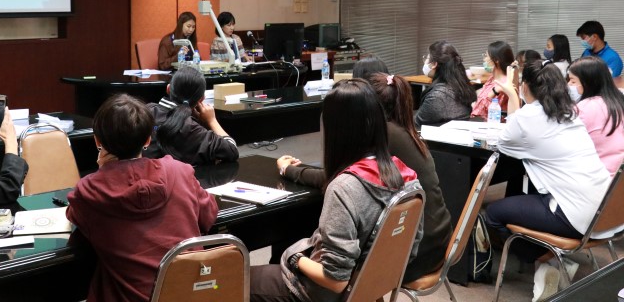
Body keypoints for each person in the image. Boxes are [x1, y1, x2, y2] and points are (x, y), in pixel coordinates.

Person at [250, 79, 422, 302]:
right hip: (367, 289)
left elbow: (335, 280)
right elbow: (410, 250)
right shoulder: (408, 179)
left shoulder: (344, 189)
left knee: (233, 279)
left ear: (335, 130)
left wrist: (293, 258)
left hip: (321, 293)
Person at [278, 73, 451, 283]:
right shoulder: (403, 130)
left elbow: (336, 178)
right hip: (434, 243)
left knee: (318, 233)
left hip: (407, 257)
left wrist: (289, 170)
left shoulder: (383, 136)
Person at [66, 94, 218, 302]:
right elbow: (209, 215)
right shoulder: (179, 171)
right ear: (148, 139)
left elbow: (75, 217)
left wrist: (104, 171)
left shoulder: (89, 190)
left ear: (97, 141)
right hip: (192, 294)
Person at [485, 60, 614, 301]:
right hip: (606, 209)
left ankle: (549, 261)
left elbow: (503, 143)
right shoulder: (569, 112)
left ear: (525, 86)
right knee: (527, 196)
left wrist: (512, 98)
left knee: (492, 213)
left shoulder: (528, 116)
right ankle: (551, 261)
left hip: (575, 214)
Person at [143, 66, 239, 165]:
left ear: (168, 89)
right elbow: (232, 150)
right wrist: (212, 121)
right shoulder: (193, 129)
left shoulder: (145, 111)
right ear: (201, 99)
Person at [568, 56, 624, 176]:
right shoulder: (619, 100)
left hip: (600, 176)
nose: (568, 85)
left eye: (572, 81)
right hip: (619, 175)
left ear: (587, 82)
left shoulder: (583, 108)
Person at [417, 41, 476, 127]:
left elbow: (416, 124)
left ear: (434, 64)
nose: (425, 61)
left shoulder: (437, 96)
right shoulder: (462, 86)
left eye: (427, 58)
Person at [471, 41, 515, 119]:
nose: (484, 59)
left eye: (486, 56)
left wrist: (493, 92)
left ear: (496, 60)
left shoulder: (504, 84)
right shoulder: (493, 77)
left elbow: (482, 112)